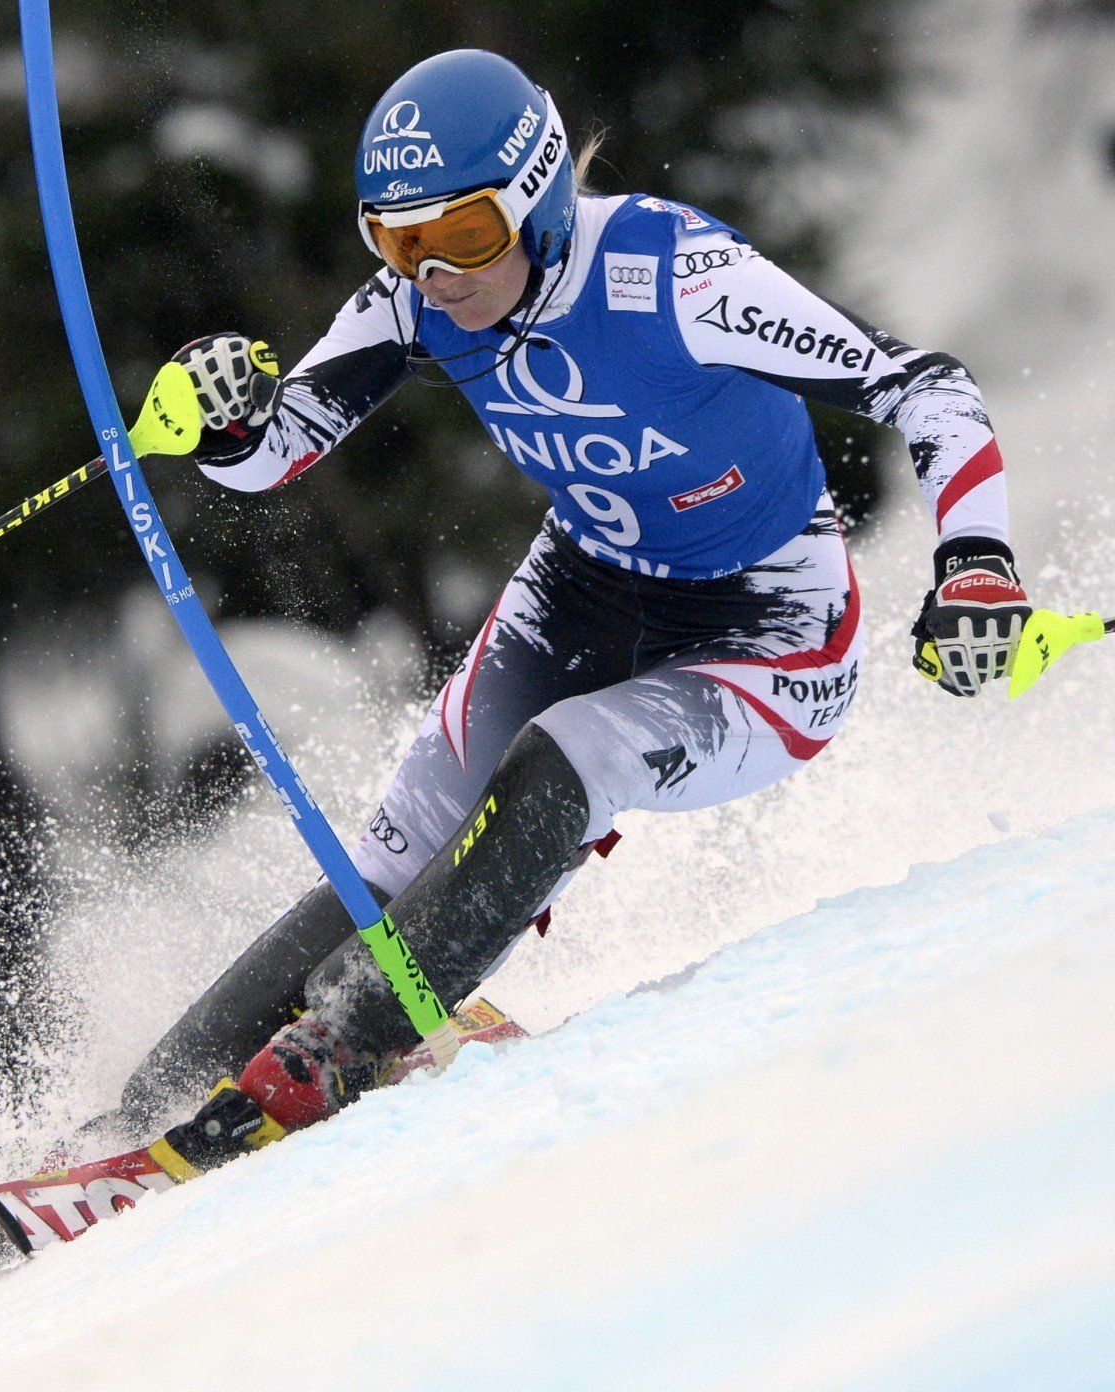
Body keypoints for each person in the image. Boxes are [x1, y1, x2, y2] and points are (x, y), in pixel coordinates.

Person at [112, 49, 1030, 1153]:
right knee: (394, 861)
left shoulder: (676, 277)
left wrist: (975, 561)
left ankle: (346, 1044)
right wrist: (217, 424)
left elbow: (923, 386)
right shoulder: (416, 303)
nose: (430, 272)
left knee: (568, 755)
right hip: (580, 589)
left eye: (460, 235)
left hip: (765, 629)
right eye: (393, 239)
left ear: (539, 199)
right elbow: (274, 453)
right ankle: (131, 1118)